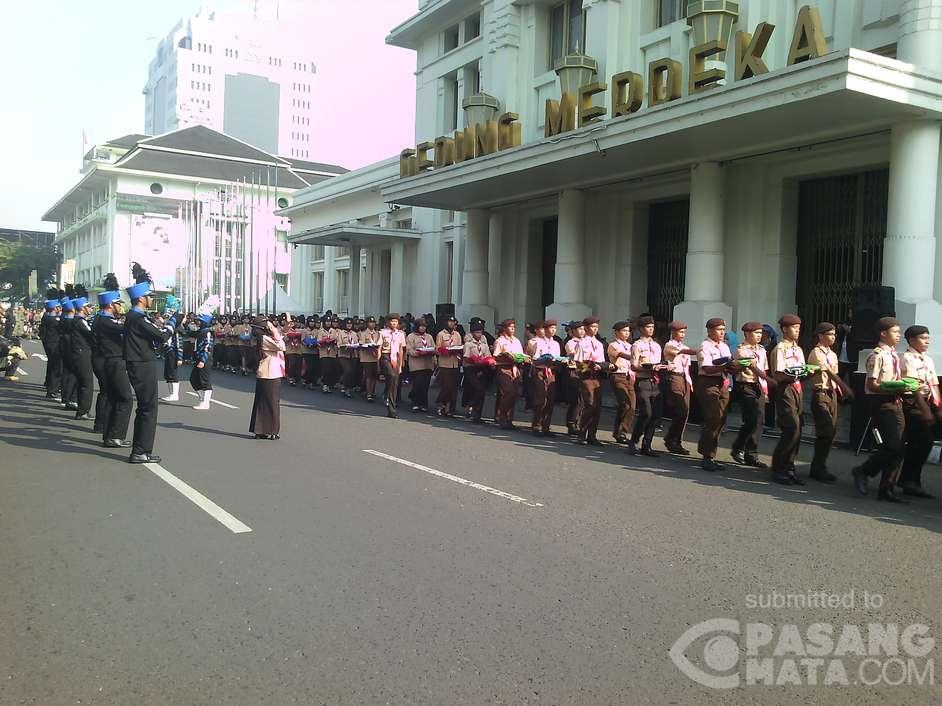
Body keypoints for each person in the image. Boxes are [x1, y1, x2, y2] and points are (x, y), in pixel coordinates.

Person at [852, 317, 909, 503]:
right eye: (895, 332)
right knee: (892, 446)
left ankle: (887, 488)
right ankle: (863, 471)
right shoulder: (877, 356)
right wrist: (894, 387)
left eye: (900, 332)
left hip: (896, 402)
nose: (899, 335)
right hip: (882, 403)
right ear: (883, 334)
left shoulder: (894, 355)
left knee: (899, 448)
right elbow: (871, 385)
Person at [123, 264, 171, 464]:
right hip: (142, 364)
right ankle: (140, 451)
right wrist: (172, 323)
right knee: (148, 407)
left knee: (146, 407)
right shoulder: (138, 318)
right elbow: (161, 336)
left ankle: (141, 449)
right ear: (141, 298)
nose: (152, 299)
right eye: (150, 296)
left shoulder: (135, 316)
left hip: (139, 363)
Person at [898, 325, 939, 498]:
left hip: (927, 401)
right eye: (923, 338)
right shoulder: (906, 358)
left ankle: (910, 480)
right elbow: (914, 388)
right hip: (913, 402)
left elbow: (933, 383)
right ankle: (909, 481)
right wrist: (925, 410)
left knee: (921, 443)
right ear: (912, 340)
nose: (927, 341)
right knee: (921, 442)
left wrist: (937, 406)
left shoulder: (927, 359)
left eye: (928, 338)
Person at [92, 277, 132, 448]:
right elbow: (127, 328)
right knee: (124, 398)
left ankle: (108, 434)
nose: (120, 306)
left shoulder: (102, 319)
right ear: (110, 305)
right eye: (118, 303)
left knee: (113, 397)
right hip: (113, 361)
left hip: (108, 361)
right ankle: (115, 435)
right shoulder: (105, 321)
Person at [769, 314, 806, 485]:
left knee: (798, 431)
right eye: (794, 328)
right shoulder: (780, 349)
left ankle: (789, 468)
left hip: (797, 389)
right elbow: (778, 375)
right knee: (791, 427)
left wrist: (807, 373)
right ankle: (778, 468)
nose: (797, 330)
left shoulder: (798, 349)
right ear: (784, 329)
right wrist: (794, 375)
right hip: (785, 390)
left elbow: (802, 370)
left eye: (799, 328)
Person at [696, 318, 736, 472]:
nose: (722, 332)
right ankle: (708, 456)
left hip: (723, 383)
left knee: (721, 419)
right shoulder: (704, 346)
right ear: (709, 331)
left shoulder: (725, 346)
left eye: (723, 329)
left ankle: (708, 450)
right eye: (719, 329)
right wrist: (725, 366)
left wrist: (736, 367)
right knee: (713, 417)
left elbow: (729, 365)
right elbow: (707, 368)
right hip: (708, 383)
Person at [806, 322, 843, 483]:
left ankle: (820, 465)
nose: (833, 337)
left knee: (831, 431)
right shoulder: (816, 353)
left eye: (834, 334)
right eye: (830, 334)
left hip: (832, 393)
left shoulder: (833, 354)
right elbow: (827, 370)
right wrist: (846, 387)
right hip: (820, 393)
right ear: (821, 336)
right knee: (826, 430)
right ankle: (818, 467)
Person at [731, 321, 770, 469]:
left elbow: (764, 369)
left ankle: (751, 454)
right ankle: (739, 447)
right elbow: (752, 367)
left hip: (759, 385)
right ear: (747, 334)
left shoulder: (762, 350)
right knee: (751, 419)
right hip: (745, 385)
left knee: (759, 420)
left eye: (761, 333)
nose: (759, 336)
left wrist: (765, 387)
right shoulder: (741, 350)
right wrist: (769, 381)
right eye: (756, 333)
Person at [629, 314, 665, 455]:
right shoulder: (637, 345)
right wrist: (648, 368)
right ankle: (634, 440)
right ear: (641, 329)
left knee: (655, 415)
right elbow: (633, 366)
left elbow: (659, 363)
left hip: (655, 382)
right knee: (646, 413)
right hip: (643, 380)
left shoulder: (656, 345)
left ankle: (647, 445)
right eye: (648, 327)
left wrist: (663, 367)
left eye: (652, 327)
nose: (651, 329)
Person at [662, 321, 696, 455]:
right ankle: (671, 439)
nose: (682, 335)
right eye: (680, 332)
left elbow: (687, 366)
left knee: (685, 411)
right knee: (681, 410)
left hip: (684, 378)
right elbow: (682, 352)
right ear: (673, 332)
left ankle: (676, 440)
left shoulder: (684, 346)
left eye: (684, 332)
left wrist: (689, 382)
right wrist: (698, 350)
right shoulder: (669, 345)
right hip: (674, 377)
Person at [249, 314, 286, 439]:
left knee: (262, 402)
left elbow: (280, 338)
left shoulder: (262, 338)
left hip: (266, 372)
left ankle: (260, 430)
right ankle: (272, 431)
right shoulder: (264, 338)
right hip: (271, 373)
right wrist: (274, 329)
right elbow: (281, 346)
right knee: (272, 403)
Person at [527, 320, 561, 436]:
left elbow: (557, 358)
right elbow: (534, 360)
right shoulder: (537, 342)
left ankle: (546, 426)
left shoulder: (556, 343)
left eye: (554, 328)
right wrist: (544, 359)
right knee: (540, 397)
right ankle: (537, 425)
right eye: (550, 328)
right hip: (540, 371)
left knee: (550, 398)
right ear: (544, 329)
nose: (553, 330)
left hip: (551, 371)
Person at [492, 318, 526, 430]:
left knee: (514, 394)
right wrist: (506, 355)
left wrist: (523, 359)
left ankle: (509, 419)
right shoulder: (500, 341)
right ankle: (502, 417)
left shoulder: (516, 341)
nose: (512, 329)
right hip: (503, 367)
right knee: (508, 392)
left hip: (515, 368)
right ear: (504, 328)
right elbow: (496, 356)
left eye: (514, 327)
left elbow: (521, 355)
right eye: (510, 327)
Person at [608, 321, 636, 448]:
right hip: (617, 375)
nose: (627, 333)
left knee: (632, 406)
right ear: (616, 332)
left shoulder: (631, 346)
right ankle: (620, 433)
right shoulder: (613, 345)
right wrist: (634, 356)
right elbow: (620, 355)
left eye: (628, 331)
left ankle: (621, 431)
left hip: (629, 376)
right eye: (624, 331)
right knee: (625, 403)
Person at [69, 286, 95, 421]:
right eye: (88, 307)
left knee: (82, 382)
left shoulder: (81, 321)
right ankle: (83, 411)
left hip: (81, 353)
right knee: (86, 383)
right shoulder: (80, 321)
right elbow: (91, 334)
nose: (90, 309)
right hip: (81, 354)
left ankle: (81, 408)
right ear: (82, 308)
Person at [462, 320, 491, 423]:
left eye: (480, 332)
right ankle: (471, 408)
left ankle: (477, 414)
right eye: (476, 332)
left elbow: (488, 356)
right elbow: (465, 358)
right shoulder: (469, 344)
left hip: (482, 368)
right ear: (473, 333)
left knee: (481, 391)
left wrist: (488, 361)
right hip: (470, 368)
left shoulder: (484, 345)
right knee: (476, 389)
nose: (479, 334)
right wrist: (474, 360)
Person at [379, 313, 406, 418]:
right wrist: (378, 363)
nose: (394, 323)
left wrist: (400, 364)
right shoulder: (382, 333)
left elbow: (401, 349)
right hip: (386, 356)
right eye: (392, 321)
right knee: (391, 376)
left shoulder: (400, 334)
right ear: (388, 322)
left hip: (396, 357)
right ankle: (386, 393)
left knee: (395, 384)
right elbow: (379, 348)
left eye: (396, 322)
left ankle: (392, 410)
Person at [434, 315, 463, 417]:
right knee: (446, 386)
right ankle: (441, 404)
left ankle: (452, 408)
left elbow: (459, 347)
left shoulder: (457, 335)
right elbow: (437, 349)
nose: (451, 323)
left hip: (455, 363)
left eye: (453, 322)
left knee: (454, 387)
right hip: (445, 363)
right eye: (449, 322)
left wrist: (458, 352)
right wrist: (445, 351)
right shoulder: (441, 334)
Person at [406, 317, 435, 412]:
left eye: (424, 326)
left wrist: (433, 356)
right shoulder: (411, 336)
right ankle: (415, 403)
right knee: (418, 384)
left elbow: (433, 347)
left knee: (425, 386)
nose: (422, 328)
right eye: (420, 326)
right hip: (416, 364)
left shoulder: (429, 337)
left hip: (428, 364)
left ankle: (423, 403)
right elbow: (409, 350)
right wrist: (417, 353)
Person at [160, 296, 183, 402]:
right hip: (168, 352)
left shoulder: (177, 328)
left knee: (173, 373)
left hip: (174, 352)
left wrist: (180, 358)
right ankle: (171, 394)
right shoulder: (168, 326)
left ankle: (175, 394)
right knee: (168, 373)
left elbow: (179, 344)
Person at [39, 292, 62, 401]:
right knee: (56, 367)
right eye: (57, 307)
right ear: (54, 308)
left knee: (52, 365)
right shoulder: (53, 319)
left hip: (50, 343)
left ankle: (50, 386)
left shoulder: (47, 316)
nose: (59, 308)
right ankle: (52, 390)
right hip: (54, 344)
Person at [190, 311, 214, 410]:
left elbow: (207, 348)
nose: (197, 322)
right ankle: (202, 398)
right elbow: (189, 333)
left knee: (204, 381)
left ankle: (206, 402)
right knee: (193, 379)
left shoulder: (207, 332)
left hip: (205, 359)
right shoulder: (201, 331)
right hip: (198, 358)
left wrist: (203, 360)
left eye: (199, 321)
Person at [358, 316, 381, 401]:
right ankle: (368, 394)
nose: (372, 324)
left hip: (375, 357)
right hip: (366, 357)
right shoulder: (363, 333)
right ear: (367, 324)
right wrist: (368, 346)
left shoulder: (378, 333)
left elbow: (379, 343)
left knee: (374, 375)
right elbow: (361, 344)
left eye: (374, 322)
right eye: (370, 322)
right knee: (368, 375)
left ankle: (372, 392)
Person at [301, 315, 321, 390]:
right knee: (310, 367)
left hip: (315, 351)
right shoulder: (305, 330)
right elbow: (303, 340)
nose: (312, 323)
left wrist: (316, 343)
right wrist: (307, 343)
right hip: (307, 351)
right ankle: (307, 380)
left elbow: (318, 339)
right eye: (310, 322)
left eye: (313, 322)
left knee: (315, 367)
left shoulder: (317, 331)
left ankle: (310, 381)